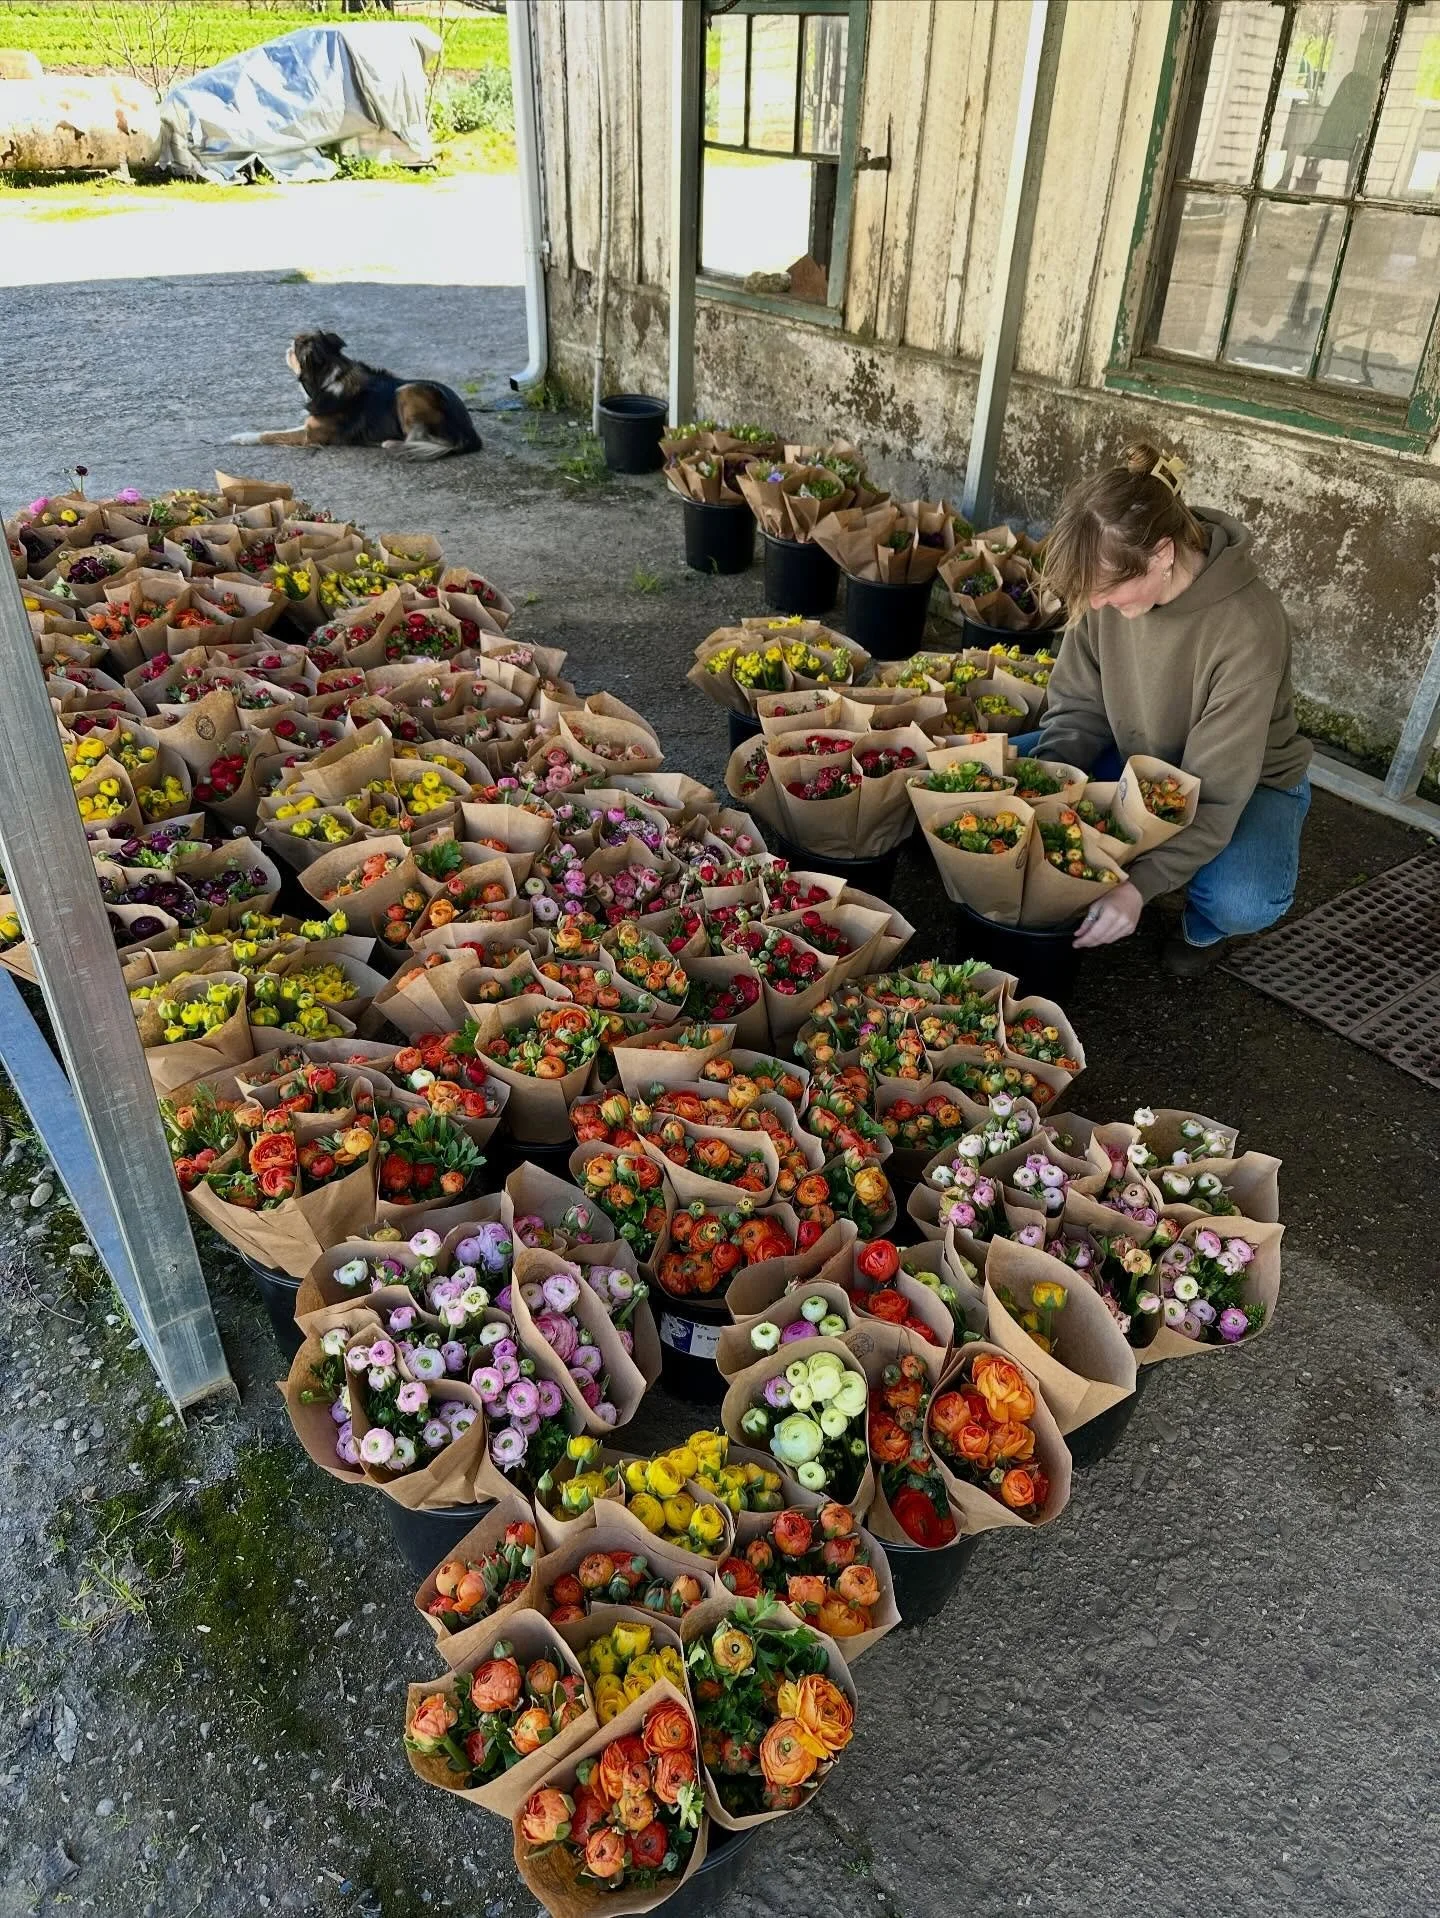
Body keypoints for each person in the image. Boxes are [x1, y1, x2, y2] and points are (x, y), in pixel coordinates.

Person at [1017, 441, 1312, 978]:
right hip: (1137, 755)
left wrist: (1139, 888)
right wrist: (1046, 786)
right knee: (1002, 769)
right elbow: (1079, 708)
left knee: (1241, 896)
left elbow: (1216, 793)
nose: (1099, 606)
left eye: (1109, 591)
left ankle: (1203, 926)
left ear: (1163, 554)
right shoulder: (1105, 583)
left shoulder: (1248, 629)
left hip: (1245, 783)